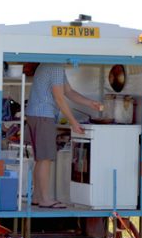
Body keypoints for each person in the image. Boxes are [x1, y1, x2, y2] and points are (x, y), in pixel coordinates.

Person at [26, 63, 103, 208]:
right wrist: (73, 122)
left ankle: (37, 196)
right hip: (44, 115)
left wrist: (89, 103)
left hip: (36, 114)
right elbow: (59, 98)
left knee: (40, 159)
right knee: (45, 158)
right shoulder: (55, 66)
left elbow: (69, 91)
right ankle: (45, 199)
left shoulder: (50, 65)